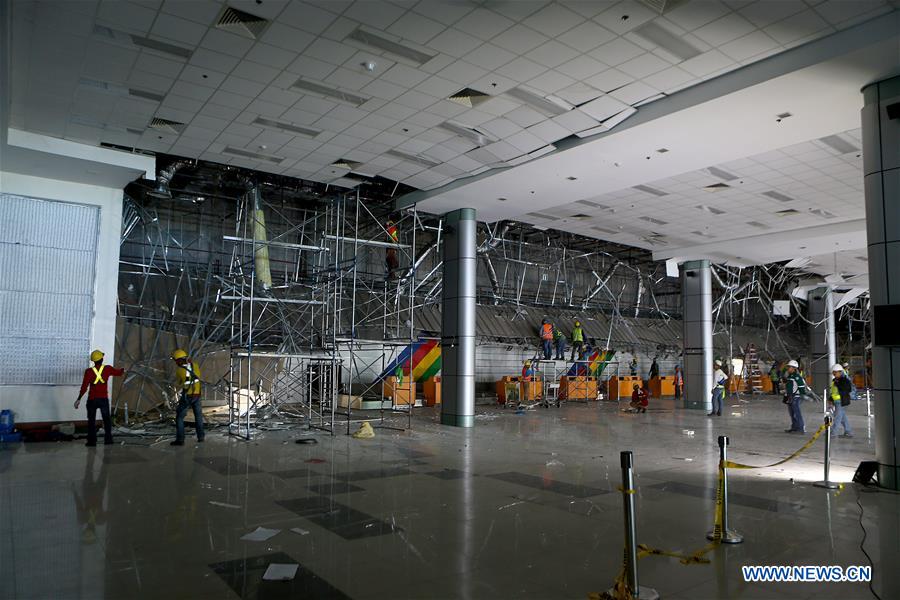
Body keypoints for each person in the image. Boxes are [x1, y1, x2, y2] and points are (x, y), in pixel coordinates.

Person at [75, 350, 125, 447]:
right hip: (103, 399)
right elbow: (119, 373)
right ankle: (108, 440)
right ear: (102, 359)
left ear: (94, 361)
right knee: (106, 420)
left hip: (92, 400)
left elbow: (84, 387)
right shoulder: (107, 369)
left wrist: (79, 399)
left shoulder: (89, 371)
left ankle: (91, 442)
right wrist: (123, 369)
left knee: (91, 421)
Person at [171, 349, 204, 446]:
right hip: (197, 395)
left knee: (179, 418)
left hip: (187, 396)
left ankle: (180, 440)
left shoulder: (179, 370)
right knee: (198, 417)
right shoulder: (195, 365)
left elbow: (179, 382)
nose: (176, 363)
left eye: (176, 361)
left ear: (179, 360)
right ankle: (201, 437)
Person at [829, 364, 853, 438]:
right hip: (836, 401)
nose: (834, 374)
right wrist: (830, 400)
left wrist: (838, 384)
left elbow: (848, 389)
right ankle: (848, 432)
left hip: (841, 401)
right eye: (833, 372)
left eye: (835, 372)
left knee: (837, 417)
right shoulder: (835, 380)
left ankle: (833, 433)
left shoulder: (845, 380)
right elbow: (833, 391)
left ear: (840, 372)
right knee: (842, 418)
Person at [784, 359, 807, 433]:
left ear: (794, 368)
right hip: (790, 397)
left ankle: (801, 428)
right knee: (792, 414)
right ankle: (794, 427)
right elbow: (789, 387)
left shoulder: (797, 377)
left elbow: (801, 387)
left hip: (795, 397)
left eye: (789, 367)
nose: (788, 368)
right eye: (788, 367)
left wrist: (802, 395)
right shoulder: (790, 376)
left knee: (797, 413)